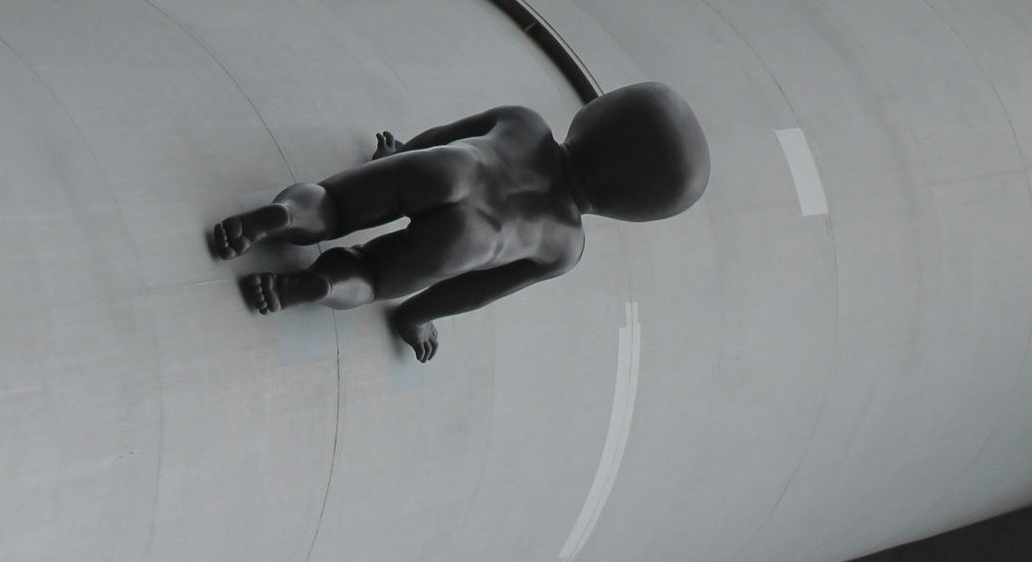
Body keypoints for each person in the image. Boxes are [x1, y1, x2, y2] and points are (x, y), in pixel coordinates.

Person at [208, 83, 709, 361]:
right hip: (472, 240)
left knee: (336, 204)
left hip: (452, 169)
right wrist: (414, 316)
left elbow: (442, 136)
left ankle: (285, 216)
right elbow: (475, 291)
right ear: (630, 210)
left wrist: (399, 155)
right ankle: (317, 285)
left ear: (597, 113)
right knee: (374, 273)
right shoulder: (563, 246)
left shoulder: (526, 122)